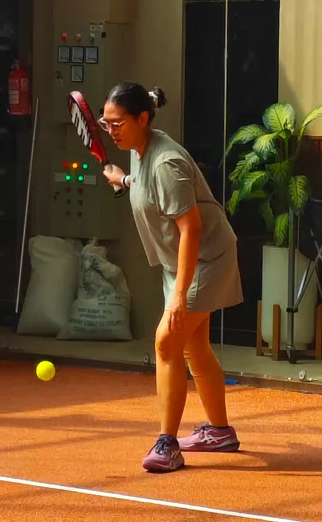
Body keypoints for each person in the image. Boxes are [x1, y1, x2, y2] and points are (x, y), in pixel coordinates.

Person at [100, 81, 243, 473]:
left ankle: (167, 444)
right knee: (193, 345)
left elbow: (190, 228)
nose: (111, 131)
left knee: (166, 342)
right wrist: (123, 180)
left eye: (117, 123)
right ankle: (219, 432)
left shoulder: (166, 162)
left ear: (142, 119)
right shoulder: (139, 150)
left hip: (205, 260)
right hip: (180, 263)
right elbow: (150, 189)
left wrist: (179, 296)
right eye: (106, 123)